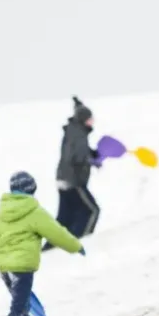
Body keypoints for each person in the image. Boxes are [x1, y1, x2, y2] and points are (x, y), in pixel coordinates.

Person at [0, 171, 84, 316]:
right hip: (21, 267)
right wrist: (75, 246)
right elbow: (56, 233)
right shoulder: (34, 212)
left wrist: (0, 262)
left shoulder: (0, 215)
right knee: (20, 306)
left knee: (21, 303)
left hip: (5, 268)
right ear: (31, 189)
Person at [48, 96, 100, 248]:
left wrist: (92, 154)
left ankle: (49, 250)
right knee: (91, 211)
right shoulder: (79, 134)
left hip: (63, 179)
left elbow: (78, 151)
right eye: (90, 120)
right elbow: (76, 156)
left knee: (65, 218)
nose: (92, 122)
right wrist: (91, 160)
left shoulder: (74, 130)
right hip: (73, 181)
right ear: (84, 120)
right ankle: (78, 243)